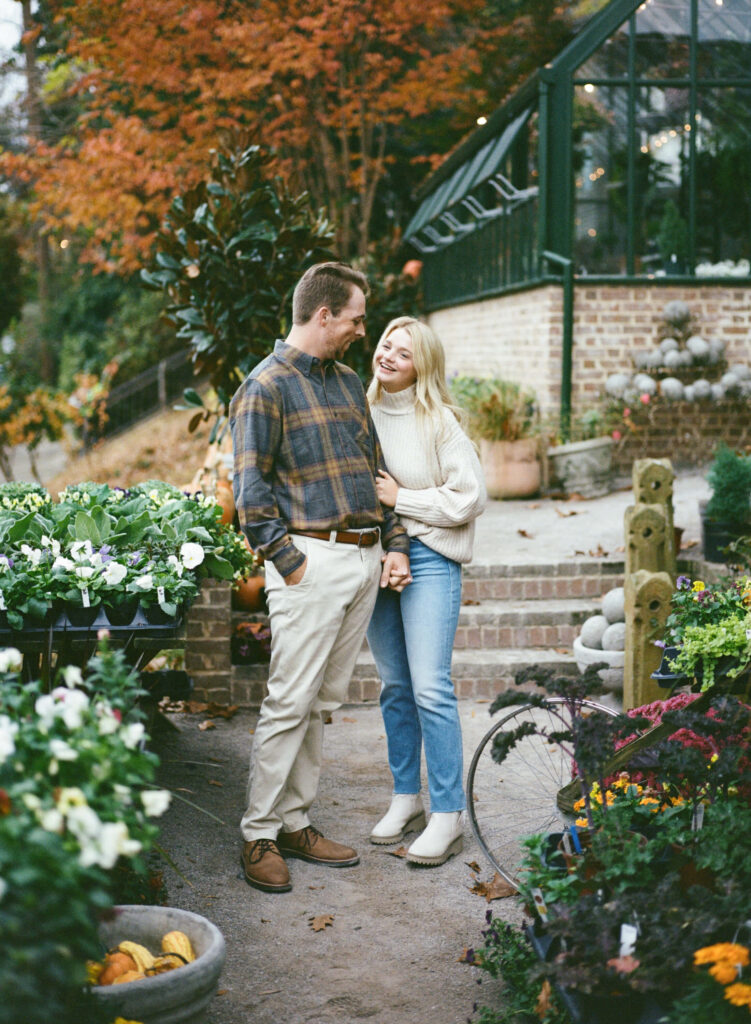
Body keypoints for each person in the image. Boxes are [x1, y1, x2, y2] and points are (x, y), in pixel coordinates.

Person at [229, 262, 411, 894]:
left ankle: (295, 822)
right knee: (288, 701)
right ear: (325, 314)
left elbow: (374, 470)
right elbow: (250, 495)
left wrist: (391, 545)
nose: (365, 330)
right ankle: (258, 834)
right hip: (310, 563)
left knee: (318, 704)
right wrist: (290, 564)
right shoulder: (265, 387)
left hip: (362, 563)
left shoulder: (347, 380)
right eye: (358, 318)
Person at [365, 316, 486, 866]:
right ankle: (405, 798)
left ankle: (446, 814)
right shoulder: (360, 414)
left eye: (404, 353)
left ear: (423, 366)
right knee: (393, 684)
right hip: (376, 560)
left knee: (430, 687)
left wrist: (403, 499)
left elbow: (468, 499)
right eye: (386, 345)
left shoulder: (438, 422)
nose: (389, 355)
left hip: (432, 562)